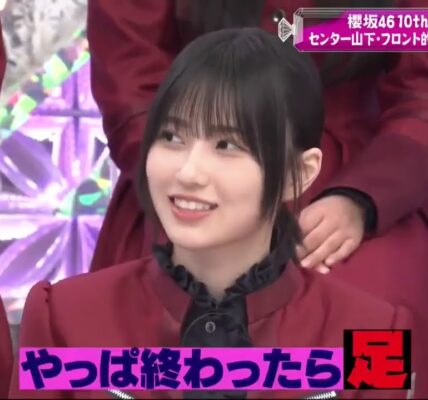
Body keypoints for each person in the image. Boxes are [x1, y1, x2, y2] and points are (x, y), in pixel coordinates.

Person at [10, 28, 416, 399]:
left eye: (227, 145)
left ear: (299, 173)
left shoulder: (372, 335)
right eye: (171, 137)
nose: (188, 173)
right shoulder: (66, 318)